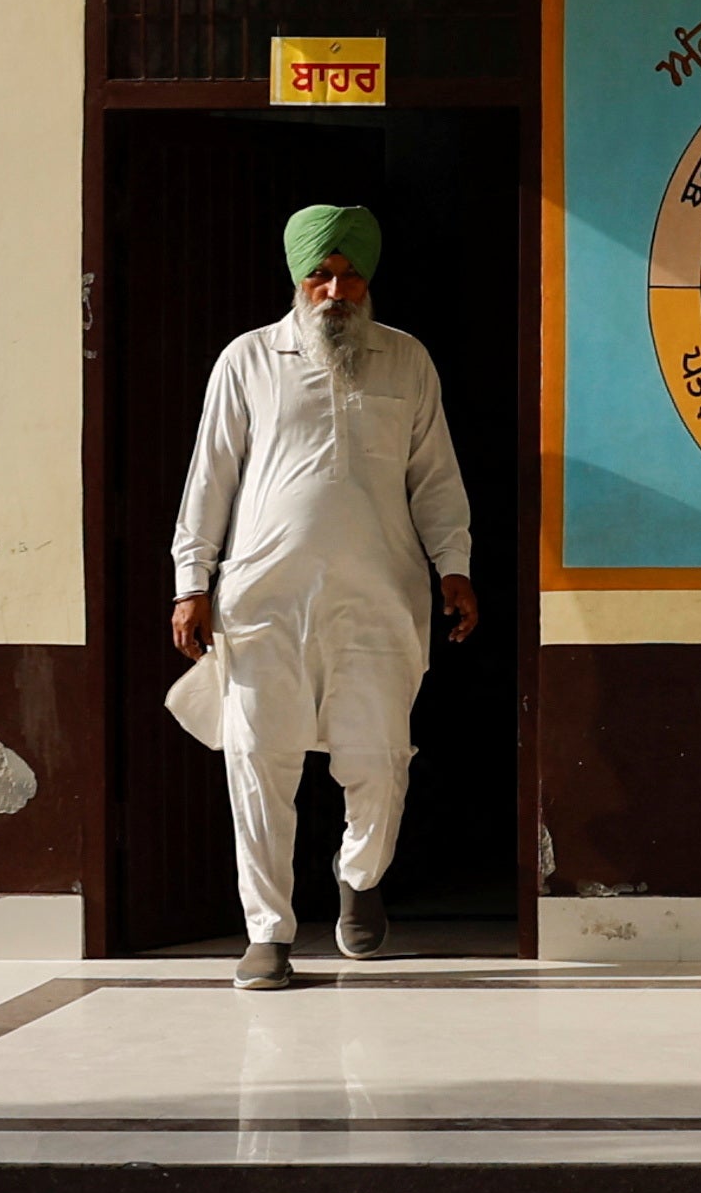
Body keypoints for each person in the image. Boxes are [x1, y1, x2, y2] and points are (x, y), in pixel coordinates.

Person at [169, 203, 479, 990]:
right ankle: (267, 933)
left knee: (378, 759)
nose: (335, 290)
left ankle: (359, 876)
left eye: (349, 274)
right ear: (297, 276)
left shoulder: (406, 361)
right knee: (256, 759)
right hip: (263, 599)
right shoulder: (248, 359)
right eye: (321, 273)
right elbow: (211, 476)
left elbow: (435, 478)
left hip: (379, 599)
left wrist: (455, 564)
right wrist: (190, 582)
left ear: (369, 278)